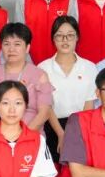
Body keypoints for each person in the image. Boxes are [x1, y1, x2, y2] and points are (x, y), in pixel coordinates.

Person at [38, 16, 97, 158]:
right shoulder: (43, 68)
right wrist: (61, 134)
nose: (65, 40)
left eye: (70, 35)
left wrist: (79, 133)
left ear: (77, 37)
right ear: (53, 39)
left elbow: (89, 104)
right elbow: (46, 106)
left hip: (81, 128)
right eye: (59, 36)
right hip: (52, 126)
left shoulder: (89, 67)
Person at [0, 23, 54, 132]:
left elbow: (45, 112)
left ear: (27, 48)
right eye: (6, 44)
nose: (11, 49)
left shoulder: (39, 75)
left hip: (30, 135)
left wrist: (23, 136)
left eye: (17, 44)